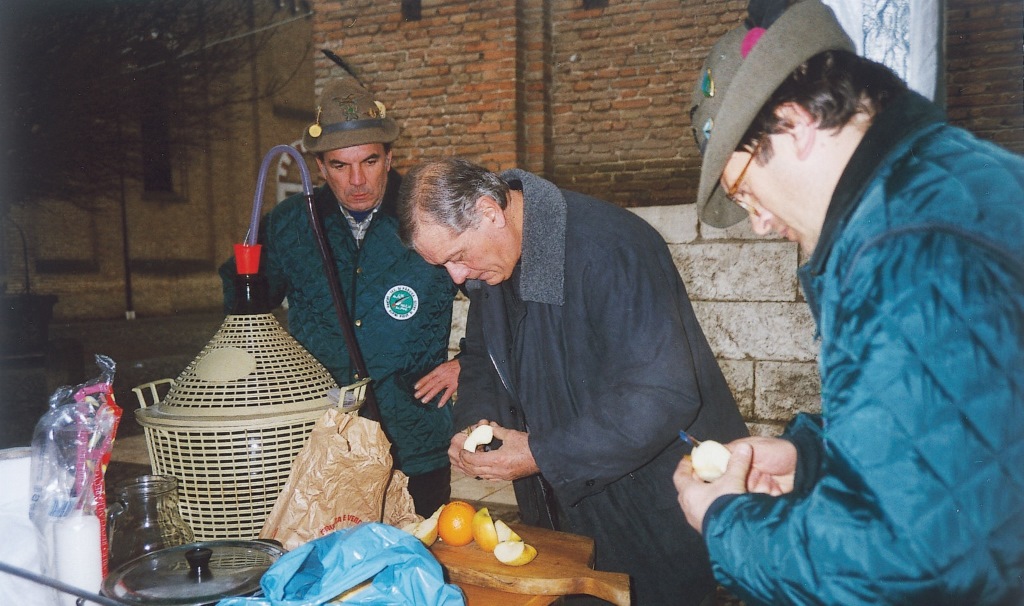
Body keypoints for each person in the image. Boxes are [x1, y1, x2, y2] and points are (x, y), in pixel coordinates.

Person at [674, 1, 1024, 604]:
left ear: (795, 124)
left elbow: (904, 563)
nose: (758, 223)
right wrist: (810, 456)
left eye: (744, 188)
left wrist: (724, 521)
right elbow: (964, 438)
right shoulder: (940, 185)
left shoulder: (906, 251)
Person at [396, 157, 750, 605]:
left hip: (656, 508)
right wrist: (474, 429)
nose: (458, 278)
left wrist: (539, 453)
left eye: (458, 257)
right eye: (444, 266)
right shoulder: (492, 264)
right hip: (563, 510)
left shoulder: (612, 247)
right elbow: (481, 358)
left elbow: (663, 394)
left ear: (489, 212)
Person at [219, 77, 460, 517]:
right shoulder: (290, 224)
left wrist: (471, 361)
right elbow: (247, 306)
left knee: (418, 559)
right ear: (320, 167)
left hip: (412, 435)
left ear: (389, 158)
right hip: (322, 438)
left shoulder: (430, 213)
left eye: (369, 161)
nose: (357, 181)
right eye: (339, 165)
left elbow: (498, 288)